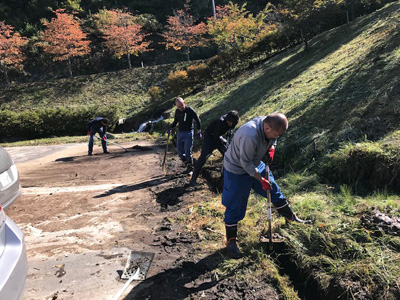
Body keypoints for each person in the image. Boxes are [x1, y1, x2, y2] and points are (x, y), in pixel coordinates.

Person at [221, 112, 311, 259]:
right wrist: (261, 180)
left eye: (278, 135)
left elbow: (274, 139)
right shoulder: (249, 134)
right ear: (267, 127)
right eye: (275, 134)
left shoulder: (269, 125)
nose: (276, 137)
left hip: (256, 164)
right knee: (234, 205)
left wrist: (271, 148)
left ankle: (291, 218)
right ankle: (231, 242)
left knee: (274, 191)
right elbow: (246, 164)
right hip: (237, 170)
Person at [189, 110, 240, 186]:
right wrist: (222, 147)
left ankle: (225, 175)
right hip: (210, 136)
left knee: (228, 154)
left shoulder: (233, 120)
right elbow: (216, 138)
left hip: (218, 136)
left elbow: (229, 129)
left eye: (232, 123)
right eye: (229, 122)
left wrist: (229, 133)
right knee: (203, 157)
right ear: (227, 119)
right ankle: (193, 178)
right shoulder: (220, 121)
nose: (230, 124)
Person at [168, 97, 201, 173]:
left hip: (188, 133)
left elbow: (198, 120)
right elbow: (175, 121)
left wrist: (198, 130)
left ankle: (191, 168)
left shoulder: (190, 110)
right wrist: (170, 127)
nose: (180, 108)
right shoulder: (177, 111)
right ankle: (188, 165)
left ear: (184, 103)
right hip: (180, 133)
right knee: (180, 153)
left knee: (187, 151)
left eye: (181, 105)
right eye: (178, 106)